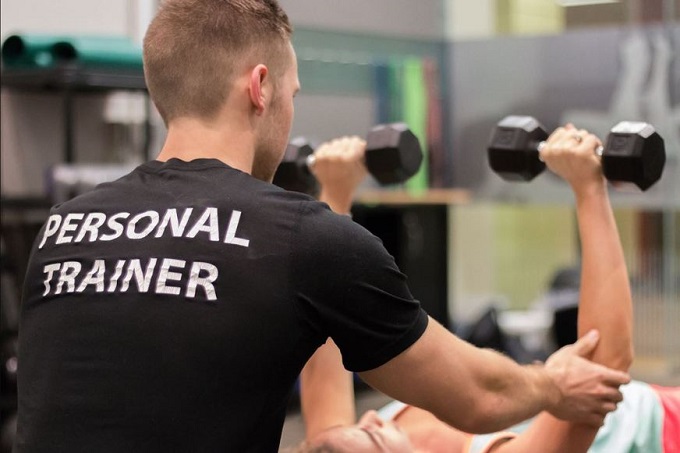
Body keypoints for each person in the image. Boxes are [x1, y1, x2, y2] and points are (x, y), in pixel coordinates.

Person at [14, 1, 630, 451]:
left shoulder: (65, 226)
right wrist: (552, 383)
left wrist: (322, 446)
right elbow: (480, 397)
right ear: (260, 87)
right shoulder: (301, 240)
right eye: (293, 92)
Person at [294, 126, 680, 453]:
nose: (374, 415)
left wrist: (335, 191)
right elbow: (605, 366)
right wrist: (589, 187)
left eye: (360, 424)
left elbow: (331, 303)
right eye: (372, 436)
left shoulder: (336, 442)